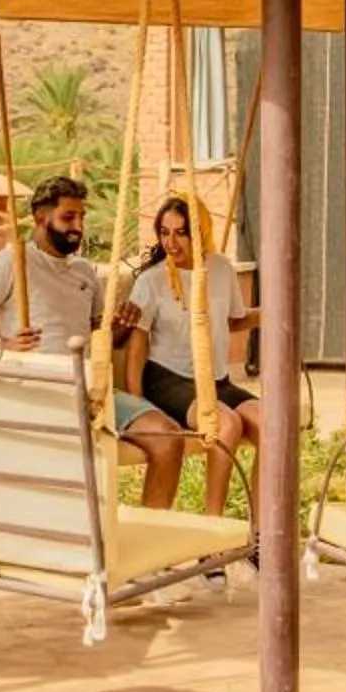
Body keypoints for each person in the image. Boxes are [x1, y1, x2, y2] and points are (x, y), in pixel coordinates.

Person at [0, 174, 196, 502]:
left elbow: (105, 339)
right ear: (41, 217)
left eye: (81, 217)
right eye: (68, 217)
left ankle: (150, 535)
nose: (78, 226)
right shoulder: (15, 260)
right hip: (40, 391)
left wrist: (124, 323)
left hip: (90, 390)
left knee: (168, 438)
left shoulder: (84, 271)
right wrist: (3, 345)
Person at [122, 194, 262, 518]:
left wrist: (269, 313)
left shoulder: (221, 269)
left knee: (271, 424)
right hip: (168, 378)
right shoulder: (151, 281)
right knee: (225, 423)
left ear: (199, 232)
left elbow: (232, 319)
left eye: (180, 232)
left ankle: (260, 533)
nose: (171, 242)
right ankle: (212, 528)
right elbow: (137, 345)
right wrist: (135, 402)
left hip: (215, 379)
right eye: (164, 232)